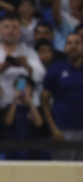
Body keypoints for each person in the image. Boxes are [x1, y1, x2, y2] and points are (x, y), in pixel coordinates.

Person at [0, 14, 45, 140]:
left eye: (15, 27)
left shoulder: (29, 52)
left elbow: (41, 76)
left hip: (23, 107)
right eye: (7, 27)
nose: (11, 31)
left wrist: (27, 66)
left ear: (20, 32)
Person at [42, 32, 83, 160]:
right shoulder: (56, 69)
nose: (73, 46)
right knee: (63, 173)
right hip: (63, 130)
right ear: (65, 48)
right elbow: (44, 101)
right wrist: (53, 129)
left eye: (77, 43)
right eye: (69, 43)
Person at [4, 76, 44, 159]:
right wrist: (15, 100)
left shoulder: (36, 108)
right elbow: (8, 122)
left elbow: (39, 123)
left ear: (32, 90)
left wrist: (29, 101)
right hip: (13, 151)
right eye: (19, 87)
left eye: (26, 87)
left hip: (32, 151)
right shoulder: (10, 107)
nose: (22, 90)